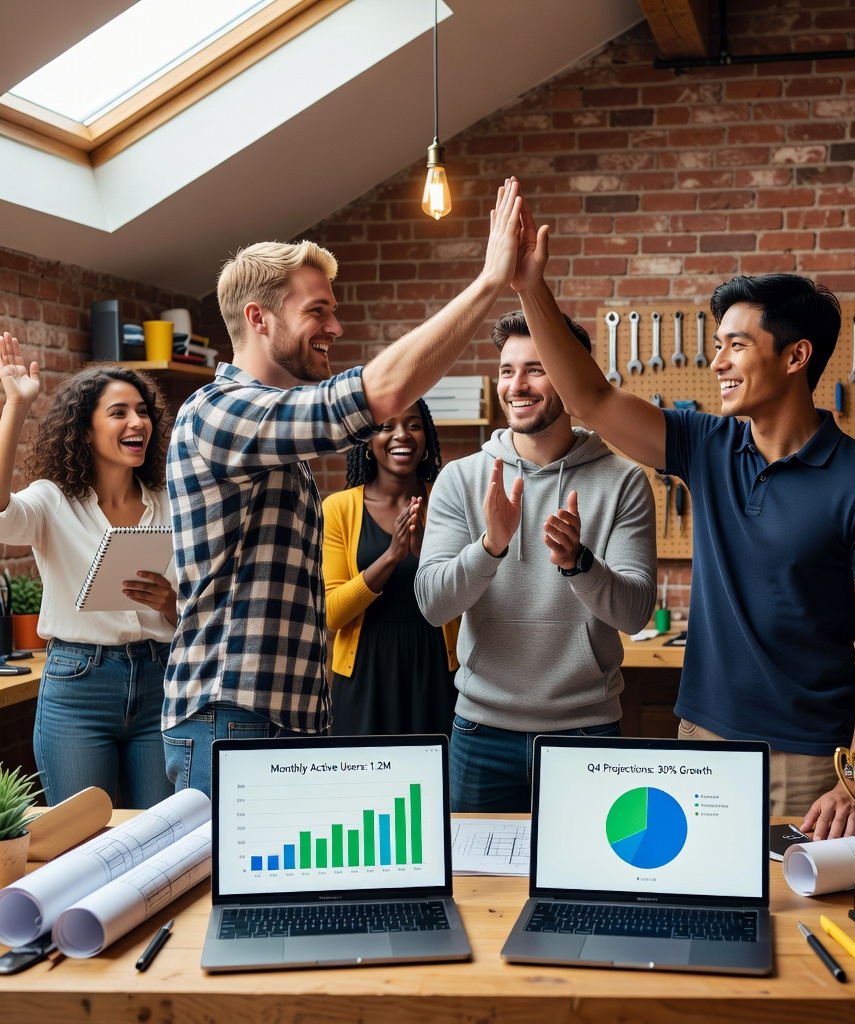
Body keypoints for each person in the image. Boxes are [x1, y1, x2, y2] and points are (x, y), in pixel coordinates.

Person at [511, 205, 855, 839]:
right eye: (716, 345)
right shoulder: (708, 447)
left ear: (795, 357)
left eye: (737, 345)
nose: (719, 362)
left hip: (809, 762)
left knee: (800, 930)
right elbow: (591, 397)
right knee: (700, 921)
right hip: (700, 737)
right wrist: (530, 289)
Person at [163, 179, 523, 796]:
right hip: (233, 720)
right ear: (258, 318)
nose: (335, 324)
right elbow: (374, 397)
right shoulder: (217, 413)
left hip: (287, 721)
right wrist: (489, 281)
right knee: (228, 899)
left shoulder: (271, 428)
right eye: (316, 311)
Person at [414, 309, 657, 812]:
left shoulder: (623, 481)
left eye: (536, 368)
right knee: (475, 887)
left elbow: (635, 615)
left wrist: (579, 564)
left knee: (589, 890)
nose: (516, 385)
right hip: (481, 732)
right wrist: (490, 548)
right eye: (507, 370)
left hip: (586, 731)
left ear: (571, 376)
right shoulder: (460, 479)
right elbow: (433, 606)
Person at [0, 335, 176, 808]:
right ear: (84, 430)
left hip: (160, 680)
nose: (137, 421)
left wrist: (171, 604)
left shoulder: (169, 503)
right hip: (79, 686)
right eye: (118, 413)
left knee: (158, 836)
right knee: (80, 841)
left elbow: (200, 605)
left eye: (142, 411)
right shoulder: (52, 501)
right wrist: (16, 405)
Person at [323, 398, 458, 735]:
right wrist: (390, 556)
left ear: (425, 438)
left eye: (413, 425)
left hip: (437, 669)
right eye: (387, 426)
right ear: (368, 442)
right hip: (364, 674)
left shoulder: (447, 501)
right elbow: (333, 614)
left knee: (436, 783)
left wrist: (426, 550)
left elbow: (467, 596)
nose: (402, 435)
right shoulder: (338, 509)